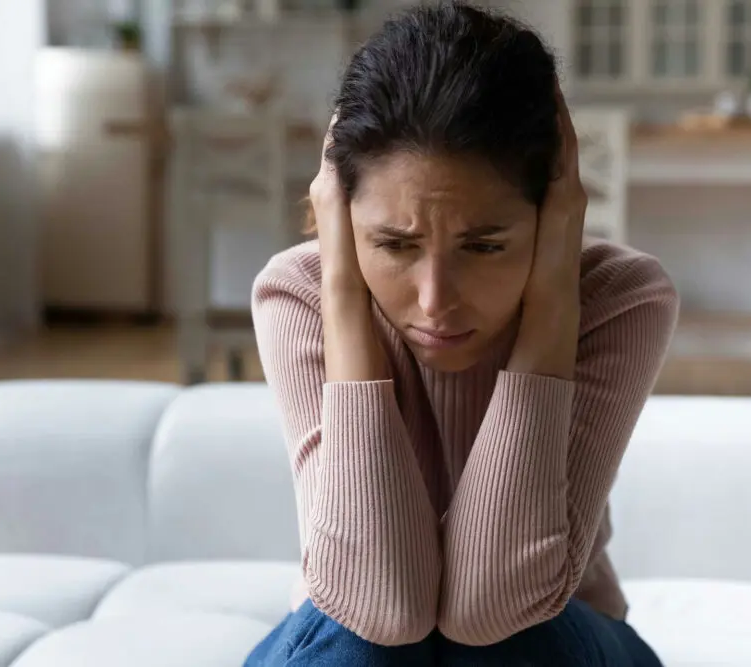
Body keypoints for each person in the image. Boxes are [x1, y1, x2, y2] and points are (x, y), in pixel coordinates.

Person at [245, 2, 678, 665]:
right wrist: (342, 289)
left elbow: (491, 608)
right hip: (358, 635)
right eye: (393, 243)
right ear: (340, 213)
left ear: (553, 212)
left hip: (553, 639)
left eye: (484, 245)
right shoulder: (300, 294)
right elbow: (377, 602)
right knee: (355, 637)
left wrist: (553, 295)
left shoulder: (621, 299)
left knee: (503, 639)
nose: (435, 300)